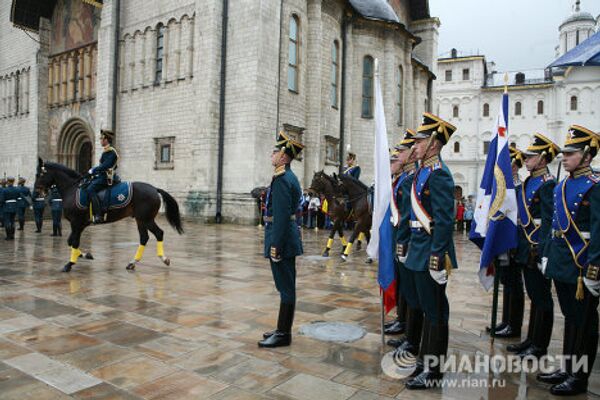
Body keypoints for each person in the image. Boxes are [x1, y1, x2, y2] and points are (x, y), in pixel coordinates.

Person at [539, 125, 600, 395]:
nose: (564, 157)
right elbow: (552, 225)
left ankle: (579, 376)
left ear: (586, 156)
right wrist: (546, 256)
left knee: (584, 321)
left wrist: (594, 268)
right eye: (564, 153)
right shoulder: (562, 185)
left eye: (571, 153)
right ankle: (567, 366)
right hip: (562, 260)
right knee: (570, 317)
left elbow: (598, 232)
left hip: (582, 263)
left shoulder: (595, 188)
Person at [404, 113, 458, 390]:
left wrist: (438, 256)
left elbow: (445, 220)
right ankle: (424, 362)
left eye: (421, 141)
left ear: (434, 143)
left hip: (430, 253)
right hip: (418, 249)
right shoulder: (423, 171)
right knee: (427, 310)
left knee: (436, 313)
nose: (415, 146)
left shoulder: (439, 175)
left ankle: (433, 370)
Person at [506, 133, 558, 359]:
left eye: (531, 156)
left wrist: (543, 251)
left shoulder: (548, 184)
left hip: (537, 247)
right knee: (534, 296)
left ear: (543, 159)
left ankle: (540, 345)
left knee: (542, 298)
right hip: (526, 245)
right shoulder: (529, 181)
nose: (525, 159)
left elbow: (548, 221)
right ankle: (530, 339)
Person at [258, 132, 304, 348]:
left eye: (276, 151)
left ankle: (284, 334)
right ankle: (281, 329)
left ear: (284, 157)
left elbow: (283, 217)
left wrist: (276, 245)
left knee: (286, 287)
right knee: (283, 286)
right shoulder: (282, 177)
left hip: (282, 242)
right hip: (283, 239)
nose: (272, 154)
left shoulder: (284, 179)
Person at [387, 130, 422, 357]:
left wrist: (402, 244)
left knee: (411, 293)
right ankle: (404, 324)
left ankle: (410, 334)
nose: (396, 158)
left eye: (400, 153)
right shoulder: (403, 179)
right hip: (400, 239)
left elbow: (408, 216)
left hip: (410, 242)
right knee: (404, 288)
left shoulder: (411, 179)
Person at [488, 145, 525, 338]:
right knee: (506, 282)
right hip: (502, 241)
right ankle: (505, 320)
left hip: (515, 242)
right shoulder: (501, 189)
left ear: (515, 166)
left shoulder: (520, 188)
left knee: (514, 284)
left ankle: (514, 324)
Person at [85, 129, 119, 223]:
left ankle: (98, 215)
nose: (100, 141)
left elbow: (106, 166)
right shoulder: (106, 151)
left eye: (101, 139)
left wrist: (94, 169)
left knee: (90, 189)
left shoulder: (112, 152)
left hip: (107, 177)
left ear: (106, 140)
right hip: (102, 176)